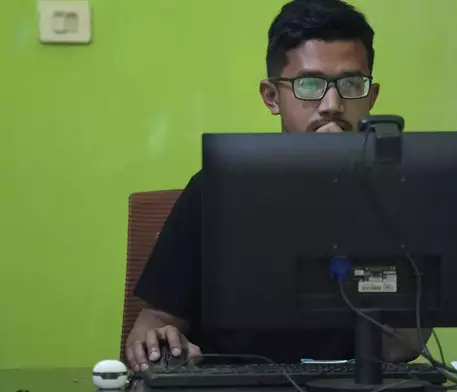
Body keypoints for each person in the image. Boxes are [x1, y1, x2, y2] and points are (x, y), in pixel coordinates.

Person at [126, 0, 430, 372]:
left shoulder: (397, 196)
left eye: (351, 84)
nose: (332, 104)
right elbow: (154, 320)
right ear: (272, 96)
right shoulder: (216, 191)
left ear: (371, 96)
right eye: (309, 85)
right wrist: (158, 340)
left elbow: (403, 345)